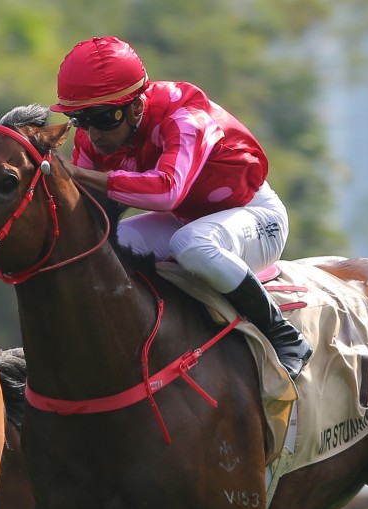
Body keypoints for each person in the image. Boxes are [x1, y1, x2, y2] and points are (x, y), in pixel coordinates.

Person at [50, 36, 312, 380]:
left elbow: (167, 192)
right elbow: (87, 210)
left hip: (256, 217)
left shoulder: (185, 116)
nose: (94, 134)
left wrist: (84, 175)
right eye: (81, 120)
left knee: (192, 243)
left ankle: (285, 336)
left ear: (136, 107)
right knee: (109, 245)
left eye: (104, 118)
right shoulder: (96, 138)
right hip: (186, 221)